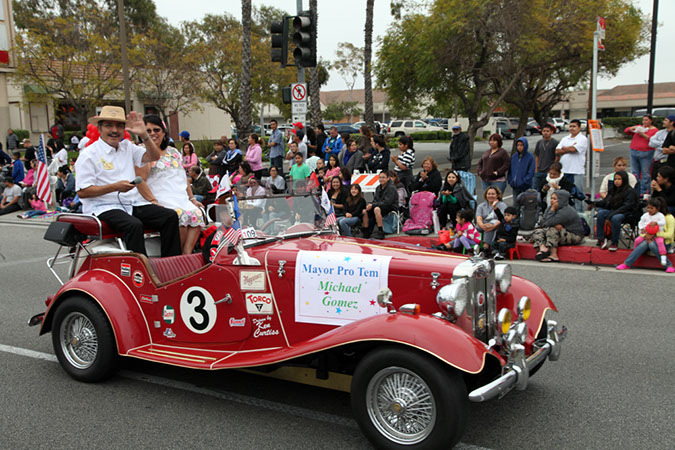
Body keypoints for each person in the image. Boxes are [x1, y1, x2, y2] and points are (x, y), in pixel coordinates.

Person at [74, 106, 181, 257]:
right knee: (133, 225)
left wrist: (144, 135)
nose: (114, 130)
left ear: (124, 129)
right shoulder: (89, 154)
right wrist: (114, 187)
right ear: (99, 128)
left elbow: (154, 156)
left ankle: (172, 264)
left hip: (132, 203)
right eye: (109, 125)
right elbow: (83, 192)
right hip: (104, 206)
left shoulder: (127, 147)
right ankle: (142, 272)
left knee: (169, 216)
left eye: (119, 126)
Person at [135, 114, 205, 255]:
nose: (153, 134)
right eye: (148, 131)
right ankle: (176, 257)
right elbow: (140, 180)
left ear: (163, 132)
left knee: (197, 214)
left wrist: (192, 199)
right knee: (179, 216)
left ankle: (187, 256)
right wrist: (153, 202)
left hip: (179, 196)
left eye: (156, 130)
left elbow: (183, 176)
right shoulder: (141, 151)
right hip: (159, 197)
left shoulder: (173, 151)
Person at [617, 197, 674, 273]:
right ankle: (626, 263)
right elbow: (643, 229)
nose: (650, 210)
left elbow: (670, 235)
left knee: (651, 244)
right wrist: (646, 235)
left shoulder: (669, 218)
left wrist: (655, 234)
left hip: (664, 243)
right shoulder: (648, 216)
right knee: (647, 242)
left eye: (652, 208)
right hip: (649, 239)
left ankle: (668, 265)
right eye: (649, 208)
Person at [590, 170, 639, 251]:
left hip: (626, 213)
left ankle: (614, 242)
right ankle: (601, 239)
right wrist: (595, 203)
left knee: (615, 218)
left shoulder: (630, 191)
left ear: (624, 180)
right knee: (601, 213)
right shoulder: (613, 189)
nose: (617, 181)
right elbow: (607, 202)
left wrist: (610, 215)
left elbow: (626, 206)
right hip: (614, 211)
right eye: (615, 179)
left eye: (619, 179)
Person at [532, 190, 584, 262]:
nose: (552, 201)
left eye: (555, 199)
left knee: (552, 229)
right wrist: (552, 219)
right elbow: (542, 223)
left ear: (561, 200)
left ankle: (554, 255)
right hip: (560, 233)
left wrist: (552, 211)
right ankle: (543, 248)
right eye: (551, 198)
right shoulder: (550, 208)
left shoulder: (565, 211)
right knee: (538, 231)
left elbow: (547, 223)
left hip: (574, 235)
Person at [555, 119, 587, 212]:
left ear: (579, 128)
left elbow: (574, 150)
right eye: (571, 126)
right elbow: (557, 151)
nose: (572, 128)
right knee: (565, 194)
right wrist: (569, 148)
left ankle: (579, 214)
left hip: (576, 171)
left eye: (574, 126)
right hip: (565, 170)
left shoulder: (582, 139)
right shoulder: (565, 139)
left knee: (577, 195)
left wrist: (565, 148)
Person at [625, 114, 658, 195]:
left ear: (651, 121)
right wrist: (633, 128)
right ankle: (635, 189)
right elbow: (627, 131)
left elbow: (653, 140)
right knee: (634, 171)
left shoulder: (655, 130)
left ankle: (644, 191)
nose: (644, 122)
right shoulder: (639, 127)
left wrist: (644, 135)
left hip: (646, 152)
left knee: (645, 172)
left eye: (646, 120)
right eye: (643, 120)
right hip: (634, 150)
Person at [362, 171, 398, 239]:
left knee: (376, 209)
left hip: (390, 207)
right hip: (380, 205)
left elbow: (387, 203)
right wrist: (371, 204)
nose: (381, 179)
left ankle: (380, 231)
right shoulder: (378, 187)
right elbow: (375, 200)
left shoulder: (391, 188)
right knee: (365, 210)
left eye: (383, 177)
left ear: (388, 178)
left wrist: (373, 205)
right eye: (380, 177)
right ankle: (367, 231)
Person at [508, 137, 535, 202]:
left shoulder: (530, 157)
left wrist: (525, 181)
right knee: (516, 204)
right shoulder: (514, 157)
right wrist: (510, 181)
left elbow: (531, 171)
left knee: (525, 204)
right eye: (518, 145)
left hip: (525, 186)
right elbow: (510, 170)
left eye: (521, 145)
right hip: (515, 186)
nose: (519, 147)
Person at [533, 124, 559, 190]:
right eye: (544, 131)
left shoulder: (555, 143)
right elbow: (537, 156)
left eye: (548, 131)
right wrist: (536, 168)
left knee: (546, 189)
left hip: (548, 172)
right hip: (539, 171)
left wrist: (551, 170)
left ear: (551, 132)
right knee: (535, 189)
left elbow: (557, 157)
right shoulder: (539, 142)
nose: (545, 132)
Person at [649, 115, 675, 179]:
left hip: (667, 163)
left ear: (672, 123)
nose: (663, 122)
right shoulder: (660, 132)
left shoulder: (672, 134)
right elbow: (651, 143)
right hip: (657, 161)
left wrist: (669, 147)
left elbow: (665, 150)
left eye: (666, 120)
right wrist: (665, 145)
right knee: (654, 180)